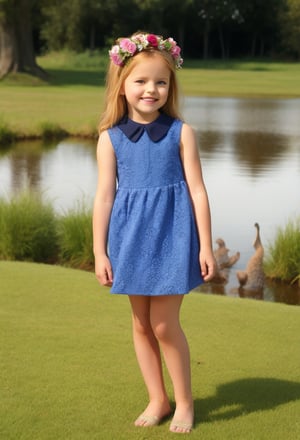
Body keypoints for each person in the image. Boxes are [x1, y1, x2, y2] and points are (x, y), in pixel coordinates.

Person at [93, 31, 217, 434]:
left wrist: (206, 246)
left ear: (170, 86)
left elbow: (197, 191)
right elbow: (104, 199)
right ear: (122, 85)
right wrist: (99, 251)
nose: (151, 89)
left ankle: (184, 402)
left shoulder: (182, 133)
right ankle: (157, 398)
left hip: (174, 236)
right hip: (129, 239)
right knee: (141, 324)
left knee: (164, 324)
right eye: (141, 81)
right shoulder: (109, 139)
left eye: (160, 82)